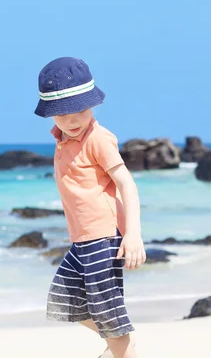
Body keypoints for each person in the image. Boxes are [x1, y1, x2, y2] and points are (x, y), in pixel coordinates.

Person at [35, 57, 146, 358]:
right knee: (63, 300)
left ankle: (121, 344)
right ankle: (121, 342)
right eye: (63, 113)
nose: (73, 120)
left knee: (110, 319)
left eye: (80, 110)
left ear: (93, 105)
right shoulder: (62, 139)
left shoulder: (98, 138)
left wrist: (132, 234)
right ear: (51, 114)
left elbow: (127, 184)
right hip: (81, 240)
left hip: (103, 238)